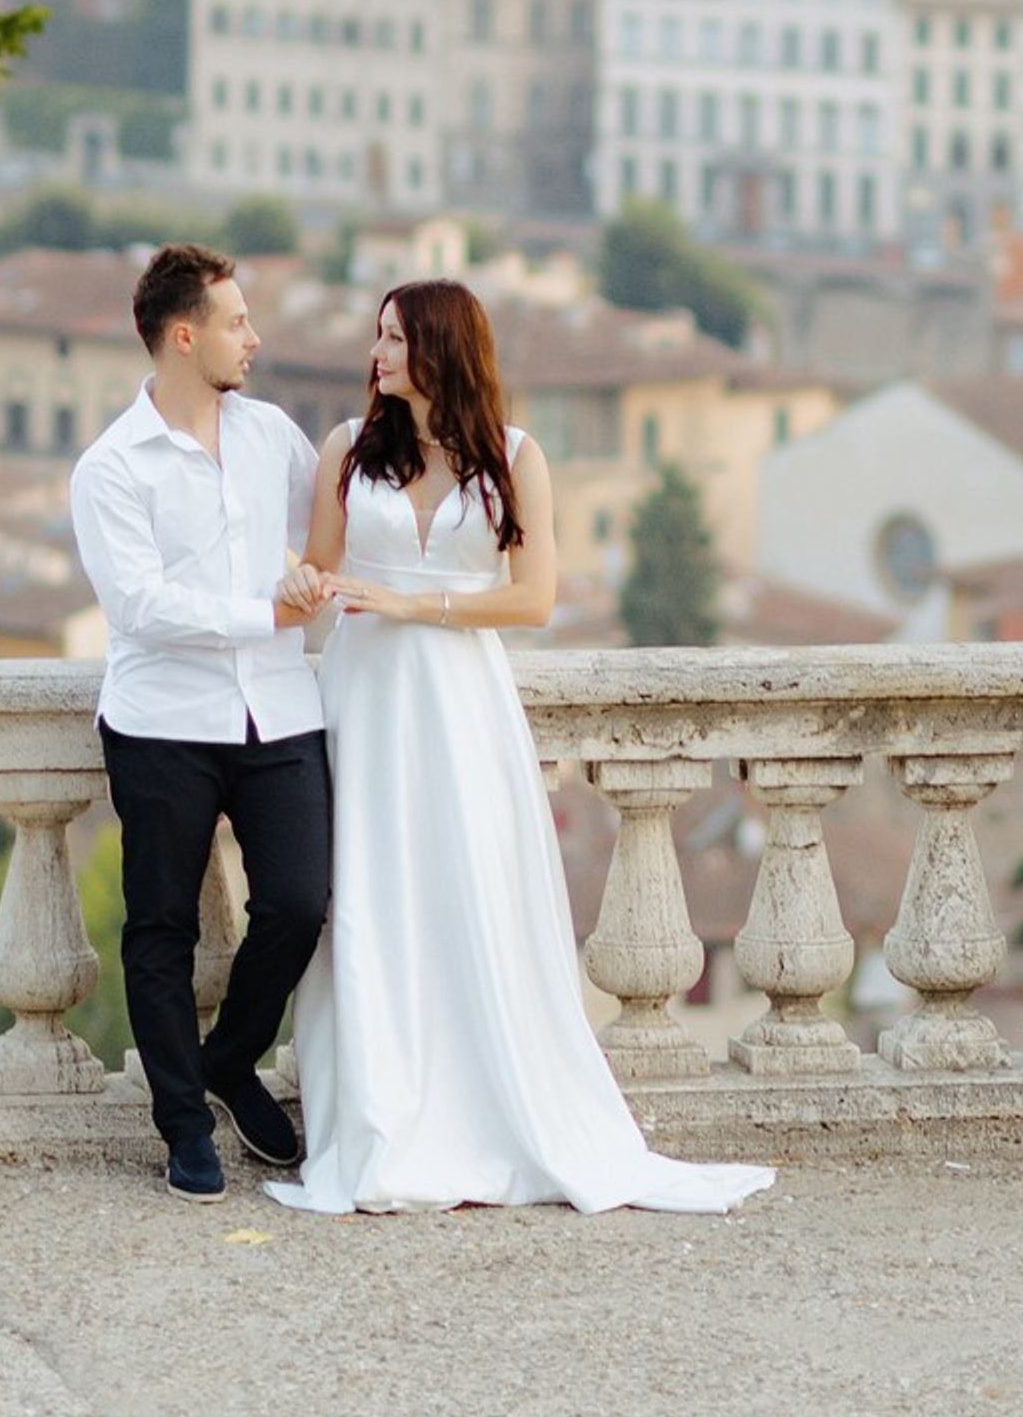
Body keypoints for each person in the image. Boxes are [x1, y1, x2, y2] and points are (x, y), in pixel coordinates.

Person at [266, 278, 772, 1220]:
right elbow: (321, 571)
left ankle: (485, 1109)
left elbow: (532, 597)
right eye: (374, 337)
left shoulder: (514, 457)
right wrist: (297, 590)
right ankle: (381, 1115)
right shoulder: (345, 448)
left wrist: (417, 603)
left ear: (439, 348)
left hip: (461, 703)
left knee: (469, 894)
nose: (375, 355)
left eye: (392, 338)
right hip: (366, 699)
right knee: (370, 896)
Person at [69, 243, 330, 1204]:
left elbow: (331, 531)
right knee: (161, 929)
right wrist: (268, 611)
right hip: (162, 723)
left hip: (279, 712)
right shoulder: (110, 469)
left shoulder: (273, 439)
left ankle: (230, 1060)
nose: (253, 339)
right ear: (186, 336)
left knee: (301, 901)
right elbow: (140, 607)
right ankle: (183, 1125)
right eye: (236, 323)